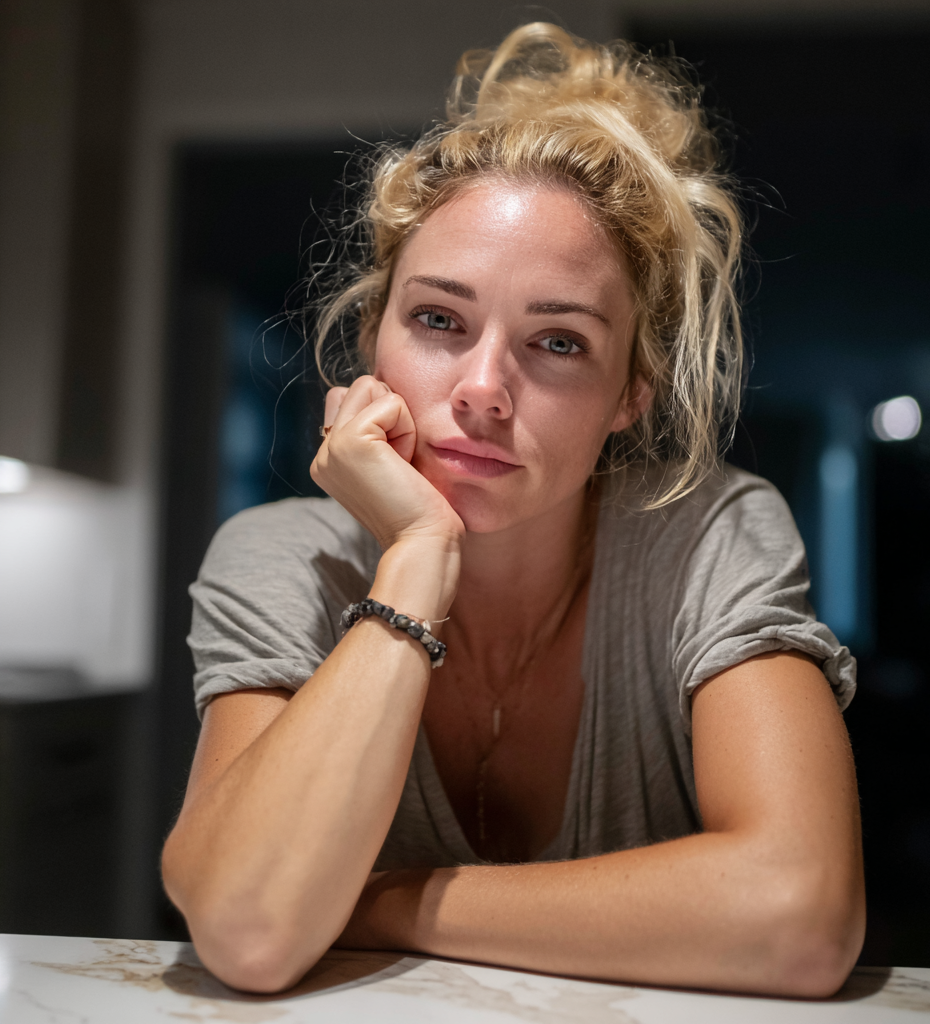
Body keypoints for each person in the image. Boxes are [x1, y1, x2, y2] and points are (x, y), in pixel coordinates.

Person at [162, 23, 864, 997]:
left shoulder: (713, 536)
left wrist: (376, 900)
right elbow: (246, 928)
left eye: (559, 342)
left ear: (631, 393)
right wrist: (416, 550)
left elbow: (800, 914)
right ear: (375, 337)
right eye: (440, 320)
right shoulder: (283, 559)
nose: (484, 386)